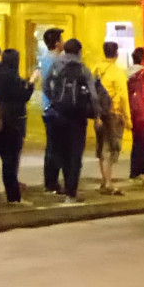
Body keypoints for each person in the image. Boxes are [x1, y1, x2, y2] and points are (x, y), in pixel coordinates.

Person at [43, 38, 98, 203]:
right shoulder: (83, 69)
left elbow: (45, 85)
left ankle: (55, 183)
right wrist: (96, 114)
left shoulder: (56, 66)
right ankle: (71, 192)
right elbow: (93, 96)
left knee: (61, 152)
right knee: (75, 155)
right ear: (79, 51)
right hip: (78, 118)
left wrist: (54, 101)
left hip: (58, 116)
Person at [0, 49, 35, 202]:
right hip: (11, 124)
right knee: (10, 161)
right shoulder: (13, 77)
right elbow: (23, 96)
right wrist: (31, 83)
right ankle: (12, 196)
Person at [92, 40, 133, 195]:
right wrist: (128, 118)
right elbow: (123, 97)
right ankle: (108, 183)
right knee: (111, 148)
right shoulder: (118, 72)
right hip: (113, 113)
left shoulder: (96, 69)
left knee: (102, 147)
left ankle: (105, 180)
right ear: (116, 54)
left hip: (99, 114)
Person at [35, 27, 64, 193]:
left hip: (47, 107)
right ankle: (52, 182)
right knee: (56, 146)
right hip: (55, 107)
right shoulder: (56, 61)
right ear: (57, 43)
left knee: (52, 145)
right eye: (61, 39)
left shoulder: (43, 59)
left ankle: (50, 180)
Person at [128, 47, 144, 182]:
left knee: (137, 142)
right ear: (143, 59)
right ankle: (142, 171)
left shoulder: (127, 73)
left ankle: (135, 171)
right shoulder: (142, 75)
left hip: (132, 112)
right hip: (142, 113)